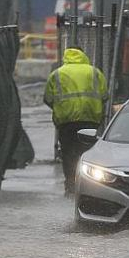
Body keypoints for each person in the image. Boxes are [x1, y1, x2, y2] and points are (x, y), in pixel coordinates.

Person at [44, 47, 108, 194]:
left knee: (68, 153)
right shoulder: (94, 72)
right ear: (83, 55)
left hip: (66, 122)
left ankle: (71, 185)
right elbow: (105, 95)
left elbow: (48, 98)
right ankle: (89, 186)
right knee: (88, 154)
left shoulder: (57, 74)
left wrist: (62, 109)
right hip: (90, 120)